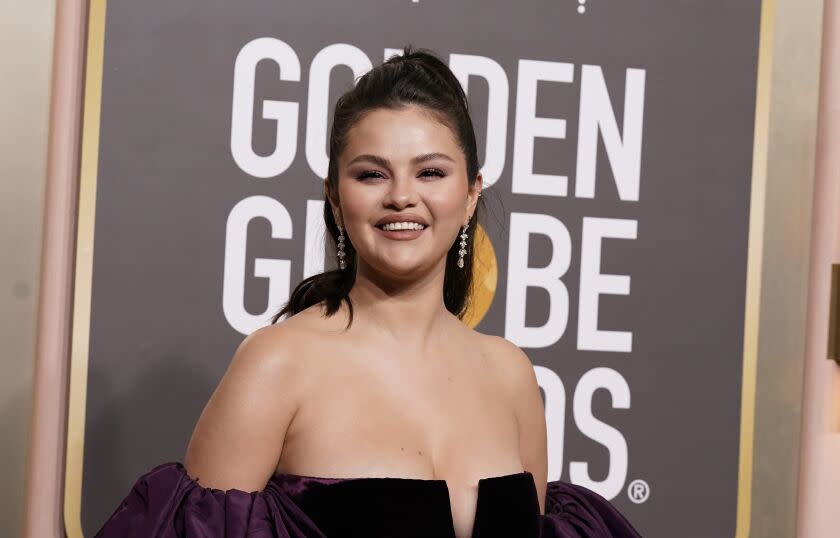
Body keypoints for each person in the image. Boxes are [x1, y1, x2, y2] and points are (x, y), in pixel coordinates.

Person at [95, 46, 640, 538]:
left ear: (472, 193)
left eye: (430, 172)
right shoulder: (278, 362)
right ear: (334, 197)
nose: (402, 197)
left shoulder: (510, 374)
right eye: (372, 175)